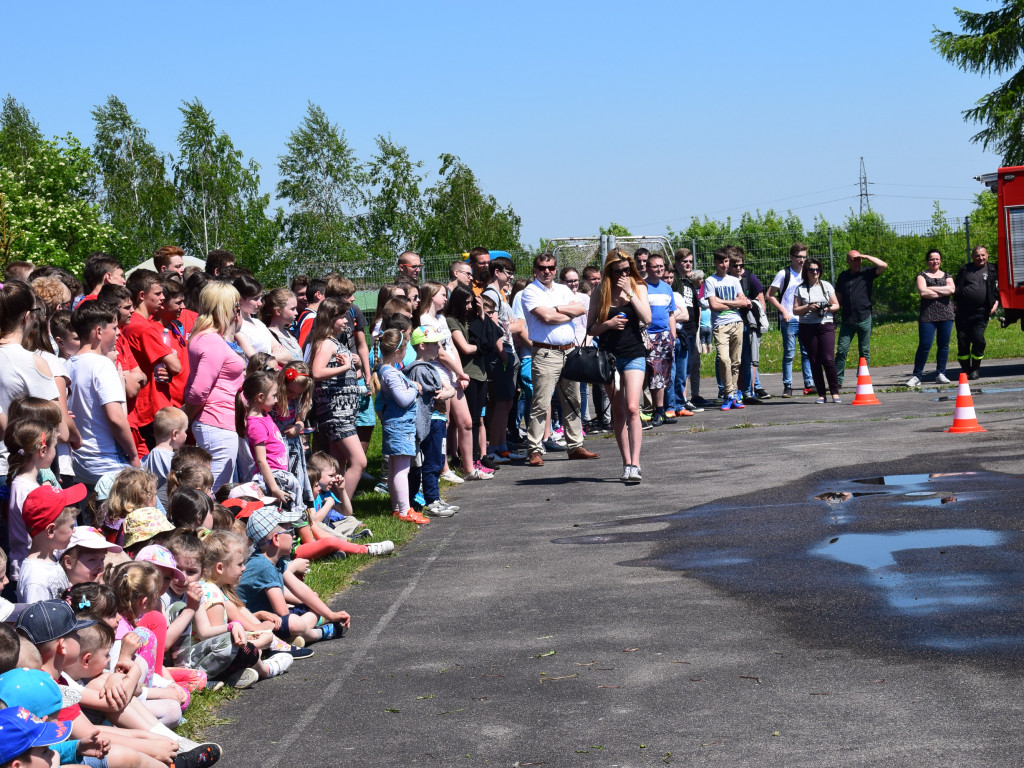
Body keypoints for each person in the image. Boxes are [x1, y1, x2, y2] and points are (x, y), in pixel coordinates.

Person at [520, 253, 600, 467]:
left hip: (570, 351)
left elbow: (581, 309)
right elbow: (545, 317)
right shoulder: (530, 291)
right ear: (535, 270)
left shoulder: (563, 289)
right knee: (541, 402)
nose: (547, 271)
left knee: (574, 400)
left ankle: (575, 446)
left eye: (551, 267)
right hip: (546, 353)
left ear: (555, 269)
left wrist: (557, 309)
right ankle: (535, 449)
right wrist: (566, 313)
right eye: (542, 267)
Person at [587, 249, 651, 483]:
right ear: (609, 272)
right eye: (617, 271)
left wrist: (630, 293)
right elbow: (591, 328)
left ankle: (636, 464)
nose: (623, 275)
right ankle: (626, 463)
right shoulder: (600, 291)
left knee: (633, 407)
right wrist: (609, 324)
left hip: (634, 353)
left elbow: (647, 318)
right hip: (609, 356)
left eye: (626, 270)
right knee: (619, 410)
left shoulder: (638, 286)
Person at [67, 302, 139, 484]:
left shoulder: (67, 365)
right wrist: (133, 455)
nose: (119, 333)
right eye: (114, 328)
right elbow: (116, 418)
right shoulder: (102, 365)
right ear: (99, 331)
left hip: (79, 463)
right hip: (108, 462)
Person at [183, 282, 246, 490]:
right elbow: (199, 391)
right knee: (216, 489)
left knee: (217, 487)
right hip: (216, 421)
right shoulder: (211, 340)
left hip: (219, 421)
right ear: (225, 307)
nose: (238, 311)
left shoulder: (207, 337)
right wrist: (186, 419)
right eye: (236, 306)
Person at [122, 270, 180, 455]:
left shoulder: (132, 323)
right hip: (150, 406)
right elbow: (176, 366)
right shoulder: (143, 327)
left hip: (141, 403)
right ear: (141, 295)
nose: (163, 298)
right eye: (158, 293)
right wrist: (169, 364)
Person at [483, 256, 524, 463]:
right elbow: (492, 327)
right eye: (508, 273)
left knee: (507, 402)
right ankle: (495, 448)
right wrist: (503, 353)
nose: (511, 277)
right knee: (502, 402)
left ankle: (502, 447)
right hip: (502, 353)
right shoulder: (491, 294)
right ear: (497, 272)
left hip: (507, 351)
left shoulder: (499, 294)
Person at [834, 249, 888, 389]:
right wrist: (833, 314)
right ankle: (837, 381)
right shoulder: (843, 276)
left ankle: (862, 379)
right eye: (853, 260)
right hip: (847, 320)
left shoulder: (867, 273)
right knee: (841, 350)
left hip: (864, 317)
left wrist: (866, 256)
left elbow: (883, 265)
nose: (857, 262)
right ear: (848, 261)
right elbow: (839, 297)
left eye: (859, 260)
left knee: (864, 351)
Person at [704, 249, 751, 411]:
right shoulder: (711, 281)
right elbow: (713, 305)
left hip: (737, 323)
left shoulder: (734, 280)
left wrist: (724, 301)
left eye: (726, 262)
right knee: (724, 359)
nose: (724, 265)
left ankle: (733, 394)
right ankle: (728, 393)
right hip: (721, 325)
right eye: (721, 262)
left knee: (736, 361)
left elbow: (744, 303)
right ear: (715, 263)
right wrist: (734, 303)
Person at [767, 243, 813, 397]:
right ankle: (788, 386)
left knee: (807, 352)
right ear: (791, 257)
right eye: (799, 257)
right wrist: (783, 311)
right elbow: (769, 295)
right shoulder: (784, 273)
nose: (802, 260)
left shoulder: (808, 273)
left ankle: (809, 384)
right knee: (789, 353)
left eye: (804, 257)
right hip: (789, 319)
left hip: (805, 318)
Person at [793, 257, 841, 403]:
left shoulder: (826, 286)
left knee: (828, 359)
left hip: (826, 325)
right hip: (807, 326)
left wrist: (826, 308)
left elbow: (836, 305)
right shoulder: (800, 289)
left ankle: (834, 392)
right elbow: (795, 310)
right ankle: (821, 394)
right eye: (811, 270)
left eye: (817, 269)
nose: (815, 272)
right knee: (814, 360)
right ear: (806, 272)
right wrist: (809, 307)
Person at [907, 249, 956, 387]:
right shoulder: (921, 275)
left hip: (946, 314)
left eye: (937, 259)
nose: (935, 261)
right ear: (927, 261)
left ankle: (941, 373)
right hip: (927, 315)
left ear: (941, 260)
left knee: (943, 345)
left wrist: (932, 288)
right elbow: (923, 292)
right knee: (925, 344)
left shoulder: (947, 275)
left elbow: (952, 290)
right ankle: (917, 376)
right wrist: (943, 291)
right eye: (932, 259)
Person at [728, 251, 771, 404]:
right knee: (729, 359)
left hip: (748, 324)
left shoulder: (749, 277)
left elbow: (761, 300)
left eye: (741, 265)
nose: (739, 268)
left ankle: (748, 392)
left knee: (748, 359)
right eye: (735, 266)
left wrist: (757, 316)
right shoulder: (725, 280)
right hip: (729, 323)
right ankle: (729, 392)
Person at [954, 245, 999, 379]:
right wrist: (954, 303)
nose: (980, 258)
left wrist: (996, 303)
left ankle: (975, 368)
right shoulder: (965, 269)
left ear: (987, 255)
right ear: (972, 257)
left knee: (978, 339)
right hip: (963, 311)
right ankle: (966, 370)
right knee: (963, 340)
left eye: (983, 255)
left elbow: (998, 289)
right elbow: (957, 287)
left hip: (982, 311)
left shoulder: (993, 269)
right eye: (977, 255)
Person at [643, 254, 677, 426]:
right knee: (654, 374)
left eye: (661, 266)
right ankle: (655, 411)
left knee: (664, 375)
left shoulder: (666, 288)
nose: (659, 269)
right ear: (648, 268)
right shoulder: (642, 287)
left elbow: (671, 314)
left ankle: (661, 410)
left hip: (665, 336)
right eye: (656, 266)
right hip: (649, 335)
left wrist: (673, 336)